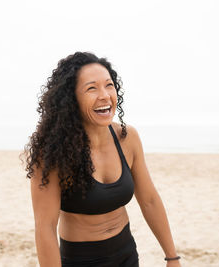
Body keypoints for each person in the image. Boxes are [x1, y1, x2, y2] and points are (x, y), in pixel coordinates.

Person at [22, 51, 181, 267]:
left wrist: (172, 257)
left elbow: (149, 199)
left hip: (126, 254)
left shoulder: (128, 138)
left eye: (109, 85)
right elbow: (45, 228)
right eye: (91, 88)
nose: (105, 95)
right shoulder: (52, 153)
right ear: (71, 99)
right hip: (80, 260)